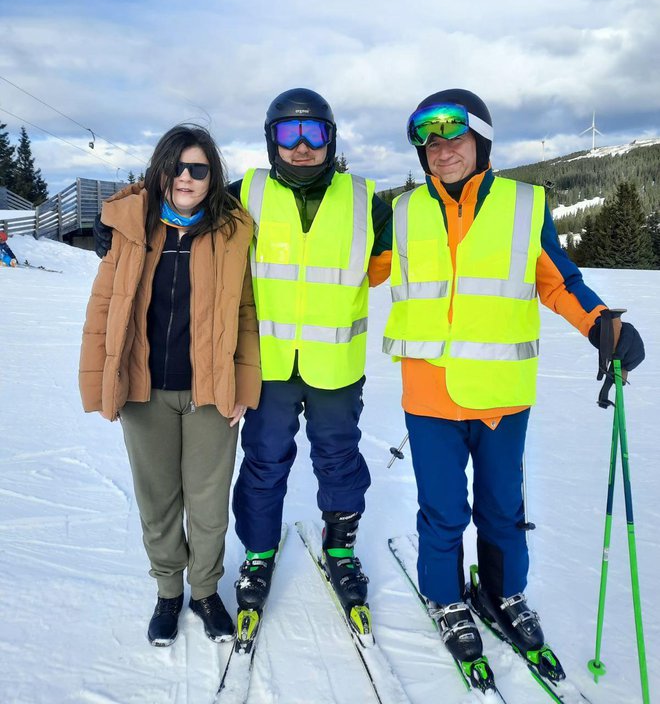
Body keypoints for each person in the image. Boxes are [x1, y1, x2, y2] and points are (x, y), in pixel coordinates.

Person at [381, 90, 645, 678]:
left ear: (482, 141)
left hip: (501, 395)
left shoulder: (525, 206)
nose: (443, 150)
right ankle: (447, 598)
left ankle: (504, 594)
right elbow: (345, 272)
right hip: (428, 395)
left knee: (502, 508)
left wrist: (601, 324)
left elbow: (557, 280)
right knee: (443, 511)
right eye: (431, 142)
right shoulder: (400, 213)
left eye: (456, 138)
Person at [80, 125, 261, 648]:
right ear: (160, 171)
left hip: (209, 393)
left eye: (198, 168)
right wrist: (101, 382)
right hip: (145, 393)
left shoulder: (231, 234)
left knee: (207, 505)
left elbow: (246, 313)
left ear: (213, 178)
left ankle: (204, 591)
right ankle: (167, 592)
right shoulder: (133, 230)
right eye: (176, 166)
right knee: (158, 501)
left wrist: (242, 388)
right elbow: (102, 310)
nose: (186, 177)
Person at [229, 88, 392, 633]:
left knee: (339, 459)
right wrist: (124, 221)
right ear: (271, 141)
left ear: (331, 140)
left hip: (335, 367)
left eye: (314, 134)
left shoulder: (366, 201)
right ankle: (258, 553)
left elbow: (427, 251)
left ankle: (340, 550)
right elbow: (183, 212)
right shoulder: (245, 194)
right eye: (288, 135)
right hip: (268, 365)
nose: (301, 147)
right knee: (264, 460)